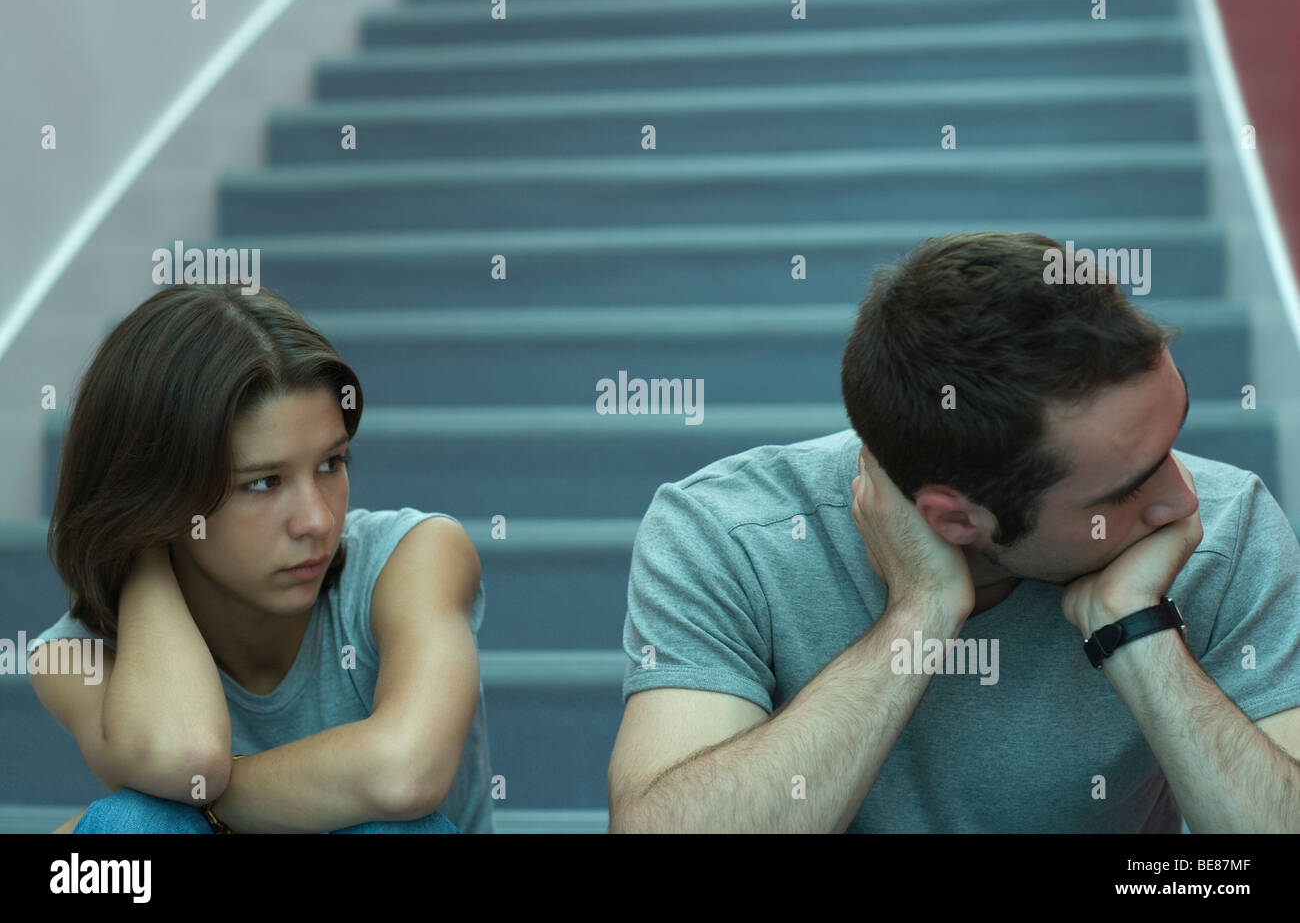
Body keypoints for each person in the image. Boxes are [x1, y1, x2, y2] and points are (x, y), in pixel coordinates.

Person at [608, 231, 1300, 833]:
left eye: (1171, 442)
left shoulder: (1228, 524)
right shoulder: (729, 534)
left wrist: (1136, 629)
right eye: (1124, 490)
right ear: (955, 519)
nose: (1182, 504)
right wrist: (919, 614)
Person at [28, 282, 494, 833]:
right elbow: (188, 756)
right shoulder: (74, 656)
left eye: (331, 463)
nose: (317, 520)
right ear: (163, 496)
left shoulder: (413, 556)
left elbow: (404, 773)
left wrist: (206, 807)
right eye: (264, 482)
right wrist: (143, 552)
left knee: (392, 825)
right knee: (131, 826)